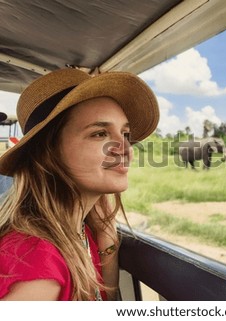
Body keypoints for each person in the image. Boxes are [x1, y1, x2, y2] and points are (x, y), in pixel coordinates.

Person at [0, 68, 159, 300]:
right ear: (49, 153)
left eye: (125, 134)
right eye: (100, 134)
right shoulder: (35, 260)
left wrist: (106, 235)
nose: (126, 149)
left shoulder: (79, 232)